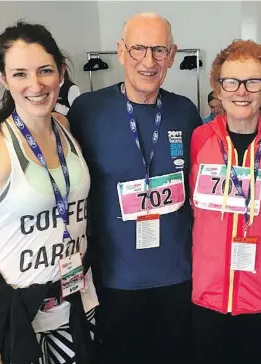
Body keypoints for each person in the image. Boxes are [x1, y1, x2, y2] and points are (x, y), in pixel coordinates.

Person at [68, 12, 202, 364]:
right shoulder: (87, 110)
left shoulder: (185, 112)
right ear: (121, 51)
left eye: (159, 50)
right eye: (138, 48)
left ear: (172, 55)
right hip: (114, 281)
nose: (148, 61)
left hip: (177, 277)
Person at [189, 39, 261, 364]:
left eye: (253, 81)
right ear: (219, 89)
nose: (241, 91)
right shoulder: (199, 140)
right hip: (205, 298)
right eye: (231, 81)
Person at [0, 22, 98, 364]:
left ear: (61, 72)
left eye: (45, 71)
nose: (35, 85)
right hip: (23, 317)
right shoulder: (1, 147)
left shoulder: (66, 128)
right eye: (20, 74)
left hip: (76, 301)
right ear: (3, 79)